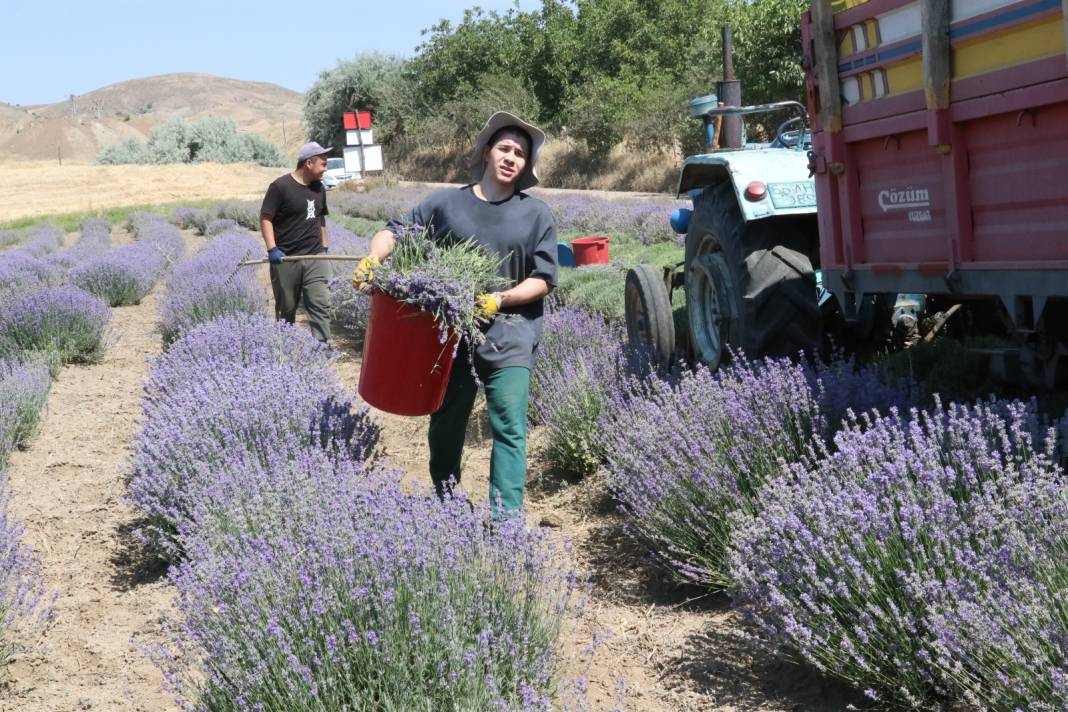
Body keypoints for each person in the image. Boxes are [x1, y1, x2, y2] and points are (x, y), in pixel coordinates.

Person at [353, 112, 558, 518]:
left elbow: (545, 278)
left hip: (511, 333)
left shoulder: (537, 214)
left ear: (526, 165)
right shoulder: (446, 203)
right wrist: (374, 258)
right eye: (504, 148)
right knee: (446, 422)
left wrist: (500, 299)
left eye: (520, 153)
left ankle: (505, 522)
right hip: (449, 338)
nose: (511, 157)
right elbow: (395, 231)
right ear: (487, 152)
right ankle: (446, 500)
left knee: (510, 428)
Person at [259, 141, 333, 343]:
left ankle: (322, 345)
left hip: (314, 256)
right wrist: (272, 248)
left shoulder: (319, 189)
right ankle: (285, 347)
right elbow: (266, 218)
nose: (325, 169)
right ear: (309, 163)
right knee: (287, 308)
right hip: (286, 258)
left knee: (320, 303)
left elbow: (321, 218)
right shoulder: (280, 187)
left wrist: (324, 248)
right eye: (323, 164)